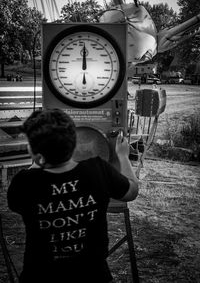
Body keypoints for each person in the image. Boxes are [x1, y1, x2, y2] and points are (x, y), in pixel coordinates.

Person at [7, 108, 140, 283]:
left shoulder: (25, 182)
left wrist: (39, 161)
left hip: (39, 276)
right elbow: (132, 191)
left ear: (37, 155)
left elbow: (15, 203)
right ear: (73, 141)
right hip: (93, 275)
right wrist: (123, 156)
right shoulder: (98, 169)